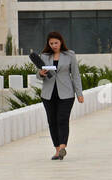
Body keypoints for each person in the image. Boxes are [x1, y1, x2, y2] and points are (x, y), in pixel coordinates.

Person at [36, 31, 84, 159]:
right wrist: (41, 73)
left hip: (66, 93)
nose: (53, 45)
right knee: (52, 121)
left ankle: (63, 146)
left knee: (62, 119)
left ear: (61, 42)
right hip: (48, 94)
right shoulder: (44, 56)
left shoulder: (70, 55)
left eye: (56, 43)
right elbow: (38, 75)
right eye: (51, 43)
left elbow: (75, 75)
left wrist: (79, 93)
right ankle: (57, 150)